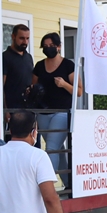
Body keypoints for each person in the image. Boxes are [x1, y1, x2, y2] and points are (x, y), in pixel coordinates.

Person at [31, 32, 78, 188]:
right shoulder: (39, 66)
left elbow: (79, 91)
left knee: (51, 149)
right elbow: (33, 87)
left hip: (62, 112)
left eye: (51, 46)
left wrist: (64, 84)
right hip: (43, 112)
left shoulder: (68, 65)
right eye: (45, 46)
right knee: (58, 149)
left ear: (59, 47)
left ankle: (48, 187)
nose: (48, 48)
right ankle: (69, 185)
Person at [2, 24, 34, 111]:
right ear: (13, 37)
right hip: (12, 109)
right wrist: (5, 110)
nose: (25, 42)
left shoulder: (29, 57)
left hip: (28, 108)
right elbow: (1, 86)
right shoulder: (5, 57)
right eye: (21, 38)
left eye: (27, 38)